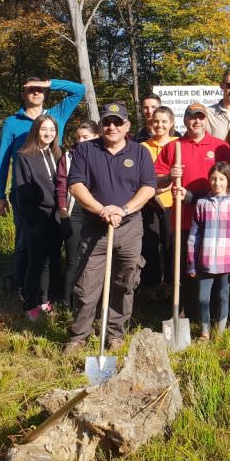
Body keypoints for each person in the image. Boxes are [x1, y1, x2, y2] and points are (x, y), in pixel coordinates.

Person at [63, 103, 157, 354]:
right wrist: (100, 209)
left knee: (125, 282)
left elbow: (148, 187)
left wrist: (123, 209)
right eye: (107, 122)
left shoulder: (140, 153)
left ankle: (115, 333)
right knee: (86, 284)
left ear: (127, 126)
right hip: (95, 228)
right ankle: (78, 336)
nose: (112, 127)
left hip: (129, 228)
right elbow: (76, 186)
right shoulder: (85, 150)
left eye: (117, 122)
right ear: (101, 125)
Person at [0, 77, 85, 295]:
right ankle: (20, 288)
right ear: (24, 93)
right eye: (31, 89)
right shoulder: (12, 122)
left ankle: (49, 290)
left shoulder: (57, 115)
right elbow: (3, 160)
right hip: (24, 192)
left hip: (55, 191)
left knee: (54, 241)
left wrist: (49, 83)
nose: (36, 93)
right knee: (25, 241)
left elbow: (79, 90)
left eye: (39, 90)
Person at [155, 103, 230, 317]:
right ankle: (184, 314)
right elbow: (155, 181)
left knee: (213, 271)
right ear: (185, 120)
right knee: (184, 270)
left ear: (206, 119)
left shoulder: (220, 147)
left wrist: (193, 197)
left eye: (200, 117)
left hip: (216, 224)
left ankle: (214, 316)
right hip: (183, 220)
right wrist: (170, 177)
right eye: (192, 117)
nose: (196, 121)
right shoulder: (173, 147)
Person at [186, 162, 230, 340]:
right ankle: (205, 332)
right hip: (205, 261)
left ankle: (220, 332)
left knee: (223, 297)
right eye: (213, 179)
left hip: (226, 262)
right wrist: (191, 264)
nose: (217, 183)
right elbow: (193, 236)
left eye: (221, 179)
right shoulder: (202, 204)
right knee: (203, 298)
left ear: (228, 181)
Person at [13, 115, 64, 320]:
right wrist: (31, 221)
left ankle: (45, 299)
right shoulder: (24, 156)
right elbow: (22, 192)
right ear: (36, 130)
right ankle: (30, 304)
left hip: (56, 216)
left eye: (52, 129)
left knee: (52, 261)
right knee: (35, 263)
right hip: (36, 218)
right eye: (44, 129)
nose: (48, 133)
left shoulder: (59, 154)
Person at [55, 121, 100, 309]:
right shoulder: (68, 156)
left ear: (97, 137)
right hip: (74, 212)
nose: (81, 141)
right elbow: (61, 185)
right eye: (79, 137)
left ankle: (89, 302)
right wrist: (63, 211)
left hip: (95, 212)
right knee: (73, 259)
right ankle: (67, 302)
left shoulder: (102, 155)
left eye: (86, 137)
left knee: (92, 259)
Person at [136, 107, 179, 299]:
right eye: (156, 121)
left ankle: (170, 283)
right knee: (151, 244)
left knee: (170, 245)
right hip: (150, 203)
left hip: (172, 203)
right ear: (150, 123)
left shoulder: (178, 144)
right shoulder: (143, 147)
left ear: (171, 124)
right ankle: (151, 284)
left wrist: (165, 186)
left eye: (164, 121)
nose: (159, 125)